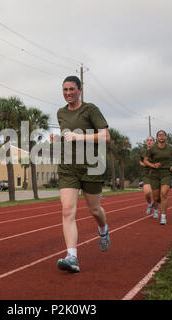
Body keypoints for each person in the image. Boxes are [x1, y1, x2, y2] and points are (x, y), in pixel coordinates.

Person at [50, 76, 110, 273]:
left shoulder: (90, 109)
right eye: (65, 89)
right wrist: (57, 139)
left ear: (80, 90)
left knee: (95, 210)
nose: (68, 93)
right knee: (67, 209)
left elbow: (105, 136)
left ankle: (103, 230)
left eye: (72, 89)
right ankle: (72, 256)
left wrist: (79, 136)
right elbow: (68, 137)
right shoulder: (61, 113)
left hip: (91, 166)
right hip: (68, 166)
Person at [144, 130, 172, 225]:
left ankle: (163, 217)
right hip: (155, 174)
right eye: (159, 135)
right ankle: (157, 205)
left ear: (166, 137)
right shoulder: (152, 149)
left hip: (166, 173)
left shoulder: (171, 148)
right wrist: (153, 165)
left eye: (163, 135)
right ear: (157, 138)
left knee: (164, 194)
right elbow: (145, 160)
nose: (161, 137)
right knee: (156, 198)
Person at [139, 136, 156, 216]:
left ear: (154, 142)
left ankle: (155, 210)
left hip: (156, 174)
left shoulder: (157, 151)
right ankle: (149, 204)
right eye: (147, 140)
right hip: (146, 174)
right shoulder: (143, 151)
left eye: (151, 140)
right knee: (147, 192)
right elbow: (140, 161)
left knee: (157, 195)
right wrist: (143, 164)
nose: (149, 142)